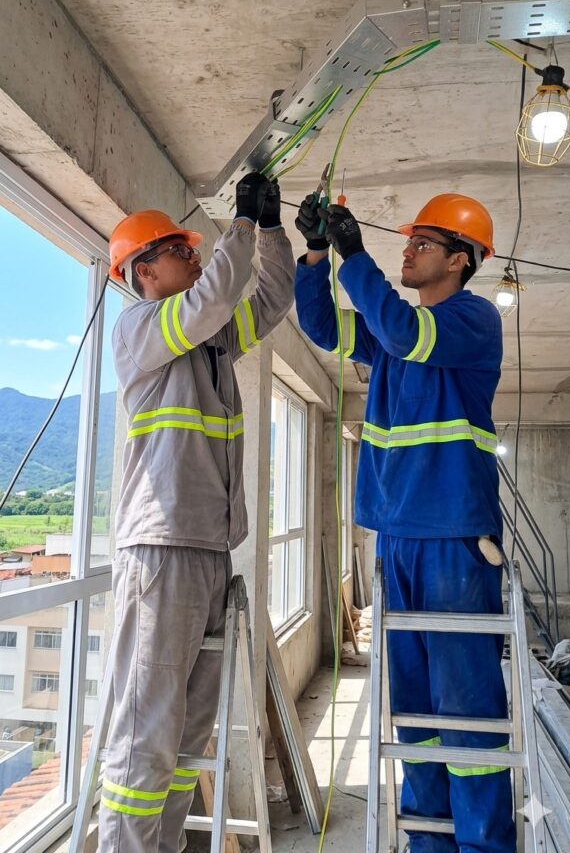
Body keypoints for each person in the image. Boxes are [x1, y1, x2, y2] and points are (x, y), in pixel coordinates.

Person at [294, 191, 515, 853]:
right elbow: (325, 327)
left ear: (460, 260)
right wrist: (314, 255)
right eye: (407, 239)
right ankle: (429, 840)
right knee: (413, 707)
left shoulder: (471, 321)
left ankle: (482, 845)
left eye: (424, 242)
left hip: (452, 537)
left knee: (466, 707)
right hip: (397, 538)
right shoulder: (394, 333)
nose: (408, 248)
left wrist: (355, 254)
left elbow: (403, 333)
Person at [100, 172, 294, 853]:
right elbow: (213, 296)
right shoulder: (141, 331)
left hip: (207, 551)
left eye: (192, 248)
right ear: (144, 271)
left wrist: (270, 232)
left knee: (187, 732)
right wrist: (237, 226)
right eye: (180, 250)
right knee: (145, 729)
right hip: (160, 550)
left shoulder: (206, 342)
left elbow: (269, 298)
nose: (194, 255)